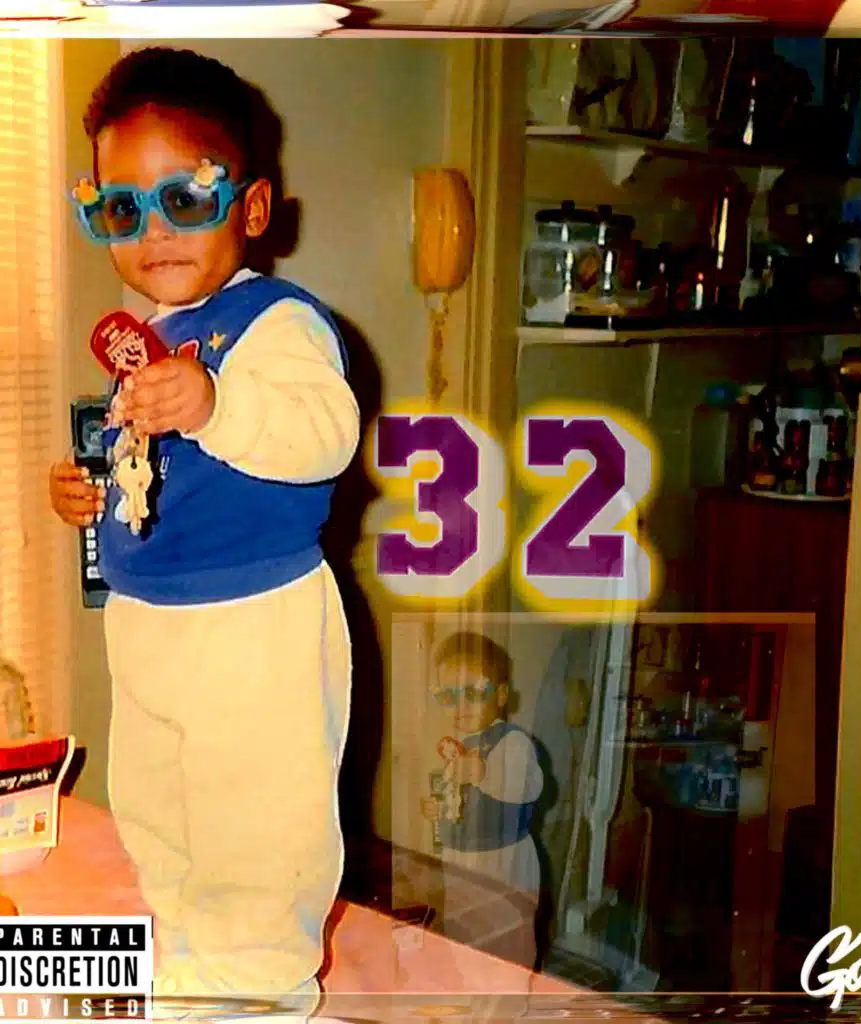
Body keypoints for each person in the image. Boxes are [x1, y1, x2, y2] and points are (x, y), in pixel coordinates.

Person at [47, 47, 359, 1017]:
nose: (154, 233)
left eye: (185, 199)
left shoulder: (275, 323)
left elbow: (324, 433)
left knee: (258, 819)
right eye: (120, 210)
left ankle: (259, 986)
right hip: (150, 622)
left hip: (251, 621)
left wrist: (218, 403)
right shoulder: (152, 335)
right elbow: (154, 466)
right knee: (159, 811)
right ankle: (189, 960)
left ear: (252, 209)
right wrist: (92, 490)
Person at [420, 631, 544, 971]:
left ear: (501, 695)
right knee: (465, 937)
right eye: (449, 696)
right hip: (463, 863)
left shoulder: (512, 742)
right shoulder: (464, 746)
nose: (460, 707)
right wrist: (439, 811)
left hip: (503, 863)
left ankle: (508, 995)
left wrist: (483, 773)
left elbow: (526, 785)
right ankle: (471, 988)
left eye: (474, 693)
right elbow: (457, 799)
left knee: (507, 944)